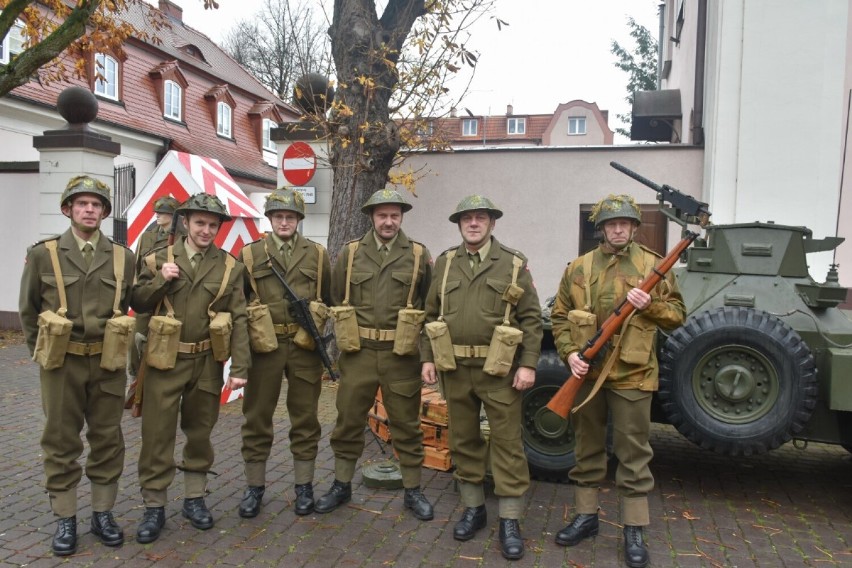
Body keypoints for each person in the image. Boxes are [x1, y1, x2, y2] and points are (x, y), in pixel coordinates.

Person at [550, 195, 685, 568]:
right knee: (587, 447)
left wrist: (650, 305)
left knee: (633, 453)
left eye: (625, 223)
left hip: (633, 374)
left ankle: (634, 527)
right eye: (612, 224)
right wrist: (570, 354)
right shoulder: (577, 268)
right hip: (587, 373)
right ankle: (586, 516)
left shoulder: (654, 266)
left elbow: (677, 315)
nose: (619, 228)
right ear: (602, 228)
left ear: (635, 227)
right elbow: (559, 316)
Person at [420, 195, 542, 561]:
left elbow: (532, 319)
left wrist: (529, 364)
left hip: (500, 371)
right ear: (459, 224)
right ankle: (474, 508)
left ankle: (509, 519)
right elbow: (430, 313)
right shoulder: (445, 263)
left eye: (481, 218)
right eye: (467, 218)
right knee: (463, 439)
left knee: (506, 443)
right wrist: (426, 358)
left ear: (492, 223)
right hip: (454, 369)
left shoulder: (513, 263)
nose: (473, 223)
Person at [19, 175, 135, 556]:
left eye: (96, 204)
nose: (89, 209)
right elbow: (29, 310)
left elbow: (140, 297)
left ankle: (102, 513)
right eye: (81, 203)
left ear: (104, 211)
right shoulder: (43, 254)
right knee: (60, 439)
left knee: (107, 438)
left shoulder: (123, 256)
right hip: (62, 363)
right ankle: (65, 516)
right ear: (68, 209)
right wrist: (44, 355)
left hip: (108, 362)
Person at [130, 192, 250, 543]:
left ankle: (195, 499)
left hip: (206, 364)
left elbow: (240, 318)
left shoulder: (231, 267)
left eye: (213, 225)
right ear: (185, 222)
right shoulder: (157, 260)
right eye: (200, 222)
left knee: (200, 433)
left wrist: (240, 366)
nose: (206, 230)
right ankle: (154, 505)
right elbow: (136, 302)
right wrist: (159, 280)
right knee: (157, 436)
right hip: (164, 362)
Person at [315, 188, 434, 521]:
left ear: (401, 218)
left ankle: (413, 490)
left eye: (394, 215)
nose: (388, 221)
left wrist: (426, 355)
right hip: (359, 354)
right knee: (348, 422)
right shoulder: (351, 254)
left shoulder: (418, 255)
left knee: (407, 425)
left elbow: (430, 309)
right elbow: (337, 298)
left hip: (402, 356)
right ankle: (341, 485)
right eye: (382, 215)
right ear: (371, 217)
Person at [237, 188, 332, 518]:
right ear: (270, 219)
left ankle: (304, 487)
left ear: (299, 220)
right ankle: (254, 487)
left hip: (305, 347)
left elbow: (329, 297)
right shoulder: (250, 255)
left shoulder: (317, 255)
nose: (284, 222)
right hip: (266, 348)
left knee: (305, 418)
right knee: (257, 417)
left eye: (290, 217)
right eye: (278, 216)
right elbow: (239, 302)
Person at [129, 195, 181, 380]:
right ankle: (137, 380)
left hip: (169, 297)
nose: (158, 215)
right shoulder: (147, 237)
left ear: (173, 215)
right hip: (147, 293)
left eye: (163, 212)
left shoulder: (181, 239)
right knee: (136, 342)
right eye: (157, 212)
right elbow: (137, 265)